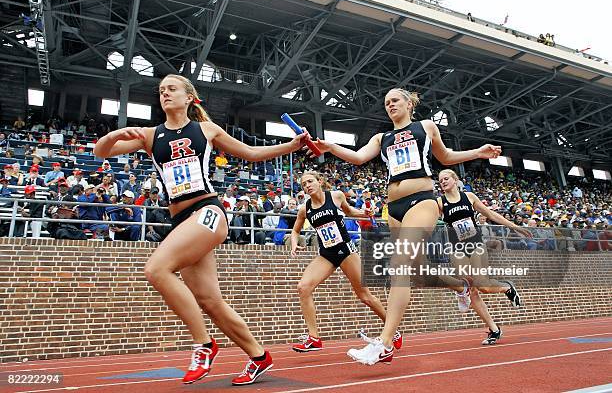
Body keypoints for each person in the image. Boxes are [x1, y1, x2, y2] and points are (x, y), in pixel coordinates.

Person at [94, 73, 308, 386]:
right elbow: (101, 152)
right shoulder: (151, 135)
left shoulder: (206, 129)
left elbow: (251, 153)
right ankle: (259, 356)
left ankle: (204, 346)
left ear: (190, 98)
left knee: (156, 269)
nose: (165, 94)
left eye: (171, 89)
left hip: (208, 210)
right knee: (209, 301)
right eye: (161, 90)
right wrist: (116, 135)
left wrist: (291, 145)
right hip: (181, 219)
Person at [307, 88, 502, 365]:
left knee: (399, 266)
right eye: (386, 103)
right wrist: (332, 147)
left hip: (422, 201)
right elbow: (359, 157)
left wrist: (478, 153)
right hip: (394, 208)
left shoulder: (425, 126)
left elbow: (445, 157)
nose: (390, 105)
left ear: (409, 104)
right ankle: (460, 286)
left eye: (394, 100)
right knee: (418, 271)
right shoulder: (381, 137)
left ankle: (385, 342)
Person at [290, 171, 402, 353]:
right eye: (303, 184)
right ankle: (314, 338)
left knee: (365, 296)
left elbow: (350, 211)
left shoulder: (335, 196)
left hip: (345, 251)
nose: (307, 186)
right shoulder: (305, 209)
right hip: (326, 253)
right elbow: (295, 230)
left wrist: (365, 214)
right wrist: (294, 243)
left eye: (310, 181)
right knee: (303, 287)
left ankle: (392, 330)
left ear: (319, 182)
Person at [437, 169, 532, 345]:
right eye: (440, 180)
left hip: (475, 245)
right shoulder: (440, 202)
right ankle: (494, 329)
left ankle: (507, 287)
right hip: (457, 249)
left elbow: (491, 214)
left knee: (483, 286)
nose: (442, 182)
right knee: (471, 290)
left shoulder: (469, 197)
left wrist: (514, 227)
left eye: (446, 178)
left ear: (455, 179)